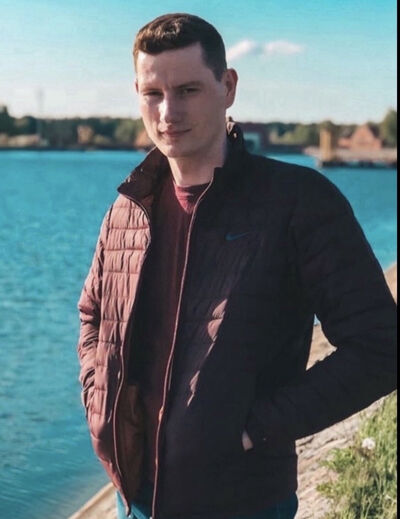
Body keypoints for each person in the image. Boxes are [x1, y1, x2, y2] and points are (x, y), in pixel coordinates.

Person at [76, 13, 397, 519]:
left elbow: (380, 347)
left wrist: (254, 430)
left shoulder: (298, 202)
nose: (168, 112)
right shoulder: (128, 208)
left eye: (188, 90)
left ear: (227, 86)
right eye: (153, 93)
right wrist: (98, 398)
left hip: (243, 500)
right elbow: (94, 314)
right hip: (133, 496)